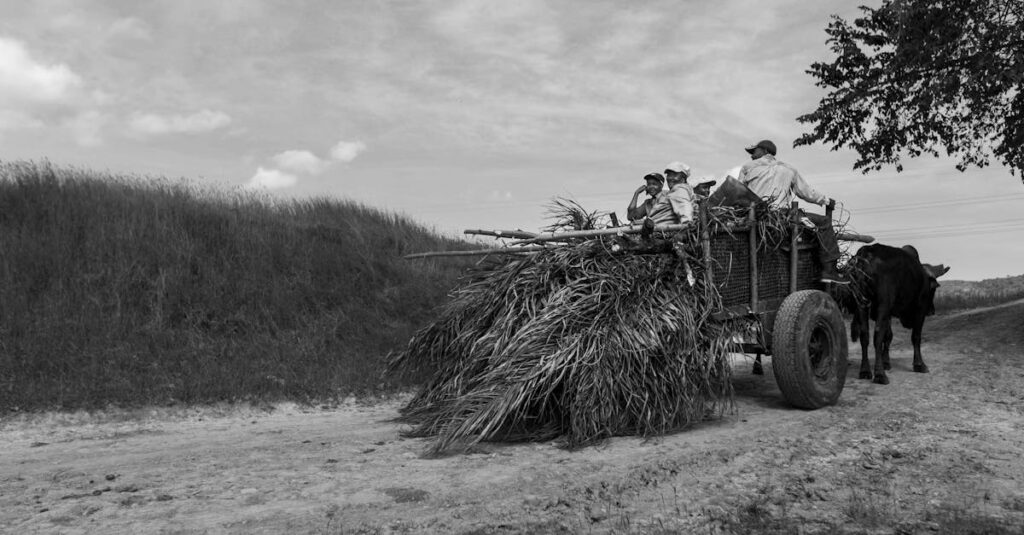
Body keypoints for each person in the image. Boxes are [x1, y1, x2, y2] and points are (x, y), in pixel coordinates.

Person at [737, 139, 846, 283]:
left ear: (765, 151)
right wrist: (826, 200)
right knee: (824, 222)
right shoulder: (788, 169)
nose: (751, 155)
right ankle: (829, 271)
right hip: (781, 217)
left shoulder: (747, 167)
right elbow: (805, 192)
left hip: (754, 216)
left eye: (754, 151)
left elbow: (738, 192)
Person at [645, 161, 695, 225]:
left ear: (683, 179)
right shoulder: (671, 193)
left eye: (674, 175)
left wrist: (686, 224)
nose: (670, 178)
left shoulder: (679, 189)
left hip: (662, 231)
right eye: (669, 175)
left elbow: (684, 208)